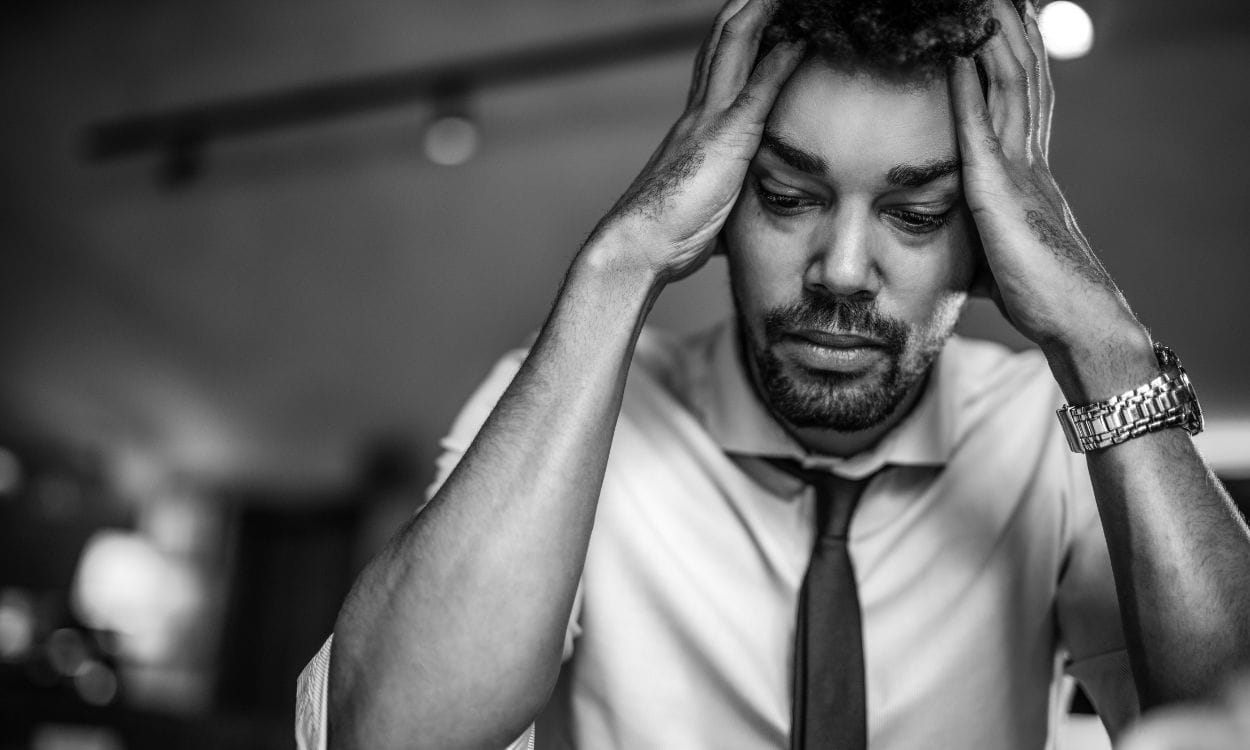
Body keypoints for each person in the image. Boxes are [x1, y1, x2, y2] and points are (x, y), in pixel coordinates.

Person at [296, 0, 1250, 748]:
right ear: (719, 205)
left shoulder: (1053, 436)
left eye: (917, 216)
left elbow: (1228, 716)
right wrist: (619, 263)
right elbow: (387, 736)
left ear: (990, 239)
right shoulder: (569, 411)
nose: (840, 270)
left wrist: (1102, 339)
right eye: (788, 198)